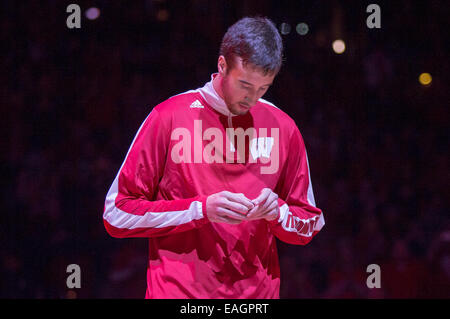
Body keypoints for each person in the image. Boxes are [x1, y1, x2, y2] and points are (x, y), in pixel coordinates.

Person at [103, 16, 324, 298]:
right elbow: (116, 214)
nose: (252, 98)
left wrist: (278, 213)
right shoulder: (169, 117)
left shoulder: (283, 127)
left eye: (263, 88)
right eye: (244, 84)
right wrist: (200, 210)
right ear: (222, 66)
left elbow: (310, 223)